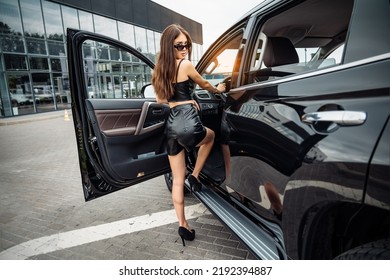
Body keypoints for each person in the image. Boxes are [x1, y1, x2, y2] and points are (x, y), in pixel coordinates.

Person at [151, 24, 226, 246]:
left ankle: (183, 225)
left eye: (187, 44)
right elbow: (204, 84)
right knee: (211, 137)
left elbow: (160, 102)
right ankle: (196, 175)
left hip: (171, 126)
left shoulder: (158, 70)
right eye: (179, 45)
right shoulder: (185, 65)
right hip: (187, 121)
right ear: (169, 46)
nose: (184, 49)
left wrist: (180, 101)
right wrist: (219, 90)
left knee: (176, 180)